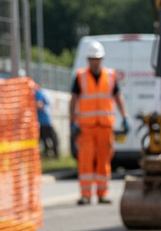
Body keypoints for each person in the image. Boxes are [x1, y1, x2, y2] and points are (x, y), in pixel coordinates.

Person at [69, 40, 130, 205]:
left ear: (101, 58)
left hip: (105, 125)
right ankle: (85, 194)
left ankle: (103, 193)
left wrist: (125, 116)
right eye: (91, 59)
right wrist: (72, 120)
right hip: (86, 126)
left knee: (104, 159)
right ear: (88, 60)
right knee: (86, 159)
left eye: (97, 58)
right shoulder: (81, 76)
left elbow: (118, 97)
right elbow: (73, 100)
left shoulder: (110, 75)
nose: (94, 62)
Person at [33, 82, 59, 158]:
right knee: (44, 140)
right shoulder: (40, 93)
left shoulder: (40, 93)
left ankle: (54, 154)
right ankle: (47, 154)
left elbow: (40, 105)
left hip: (46, 121)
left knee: (52, 138)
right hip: (41, 122)